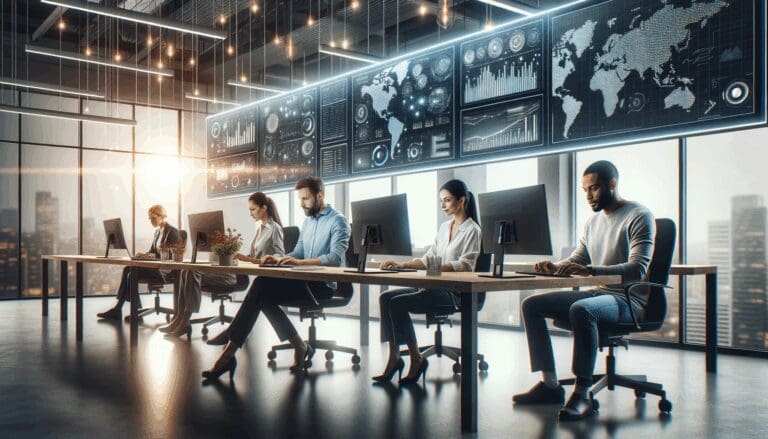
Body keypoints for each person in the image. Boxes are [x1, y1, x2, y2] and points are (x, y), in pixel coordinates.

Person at [512, 160, 655, 422]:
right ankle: (550, 385)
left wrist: (592, 271)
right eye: (585, 190)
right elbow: (578, 259)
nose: (589, 196)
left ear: (613, 184)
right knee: (531, 305)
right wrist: (556, 266)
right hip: (599, 294)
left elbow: (637, 268)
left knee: (582, 309)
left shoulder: (639, 215)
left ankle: (581, 393)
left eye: (595, 189)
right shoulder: (592, 222)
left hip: (628, 299)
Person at [202, 176, 350, 381]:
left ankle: (230, 349)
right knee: (262, 290)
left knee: (262, 288)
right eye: (299, 199)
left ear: (319, 196)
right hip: (303, 281)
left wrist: (299, 264)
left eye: (305, 199)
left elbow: (334, 259)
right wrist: (279, 258)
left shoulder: (338, 221)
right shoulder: (308, 222)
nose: (301, 204)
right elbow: (298, 252)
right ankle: (292, 346)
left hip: (323, 285)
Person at [374, 179, 482, 385]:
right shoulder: (444, 228)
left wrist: (435, 267)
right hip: (433, 286)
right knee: (386, 297)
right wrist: (402, 265)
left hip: (454, 292)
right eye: (441, 201)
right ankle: (395, 357)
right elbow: (427, 259)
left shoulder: (473, 230)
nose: (443, 205)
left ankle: (416, 359)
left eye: (447, 200)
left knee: (397, 303)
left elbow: (466, 265)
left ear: (462, 200)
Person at [160, 192, 285, 337]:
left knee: (192, 272)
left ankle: (185, 322)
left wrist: (262, 260)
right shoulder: (259, 229)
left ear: (263, 208)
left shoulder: (275, 229)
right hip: (238, 268)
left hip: (241, 277)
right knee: (186, 270)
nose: (250, 213)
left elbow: (280, 255)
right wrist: (236, 255)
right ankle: (179, 318)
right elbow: (251, 256)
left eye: (253, 209)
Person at [97, 205, 180, 320]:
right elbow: (153, 252)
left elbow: (171, 256)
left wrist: (152, 255)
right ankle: (120, 309)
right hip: (156, 268)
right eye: (149, 218)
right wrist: (144, 254)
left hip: (165, 271)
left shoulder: (173, 232)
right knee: (127, 269)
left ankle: (131, 311)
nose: (151, 221)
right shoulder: (157, 233)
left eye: (153, 218)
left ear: (162, 216)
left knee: (132, 273)